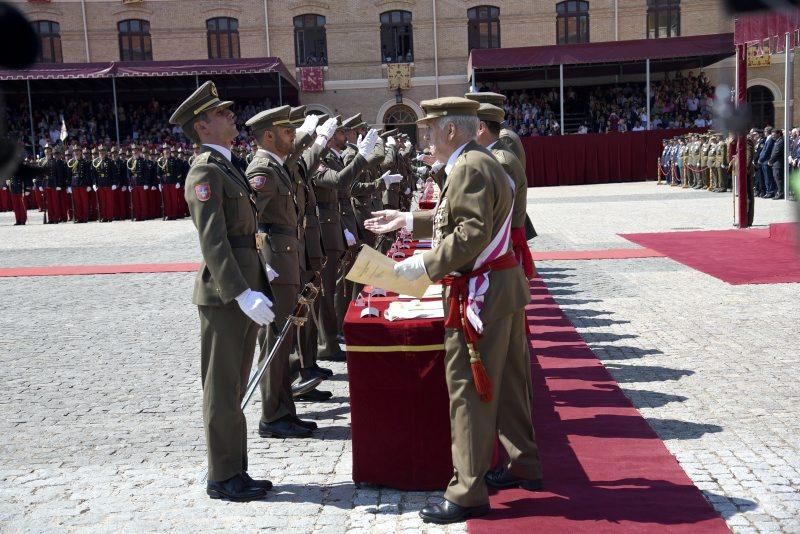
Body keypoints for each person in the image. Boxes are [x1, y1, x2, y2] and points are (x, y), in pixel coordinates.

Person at [365, 97, 541, 524]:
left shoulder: (468, 166)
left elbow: (471, 233)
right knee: (511, 383)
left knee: (469, 392)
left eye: (430, 129)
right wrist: (408, 220)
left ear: (449, 131)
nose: (425, 137)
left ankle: (466, 491)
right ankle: (523, 462)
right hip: (501, 287)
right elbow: (459, 219)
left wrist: (422, 265)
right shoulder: (476, 161)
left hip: (483, 291)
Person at [169, 80, 275, 502]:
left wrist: (259, 270)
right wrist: (241, 293)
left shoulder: (229, 165)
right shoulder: (205, 171)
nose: (232, 116)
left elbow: (243, 234)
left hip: (244, 286)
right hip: (224, 295)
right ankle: (222, 475)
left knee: (234, 386)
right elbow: (213, 242)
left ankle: (235, 469)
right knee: (222, 386)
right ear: (203, 126)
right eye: (222, 113)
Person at [244, 105, 321, 440]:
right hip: (276, 263)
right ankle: (272, 415)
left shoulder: (278, 165)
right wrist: (263, 265)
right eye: (288, 132)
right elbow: (250, 220)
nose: (294, 136)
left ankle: (284, 410)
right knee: (276, 339)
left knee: (284, 337)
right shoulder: (262, 168)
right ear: (270, 135)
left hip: (288, 259)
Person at [759, 126, 775, 198]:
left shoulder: (770, 139)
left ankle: (770, 191)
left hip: (766, 161)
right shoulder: (767, 139)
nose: (764, 133)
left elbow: (767, 151)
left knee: (768, 177)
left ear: (767, 132)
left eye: (765, 131)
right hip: (764, 161)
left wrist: (761, 158)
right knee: (766, 177)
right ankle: (768, 191)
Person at [769, 129, 785, 200]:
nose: (772, 136)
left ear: (778, 134)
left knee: (778, 179)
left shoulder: (780, 141)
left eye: (774, 134)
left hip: (778, 163)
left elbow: (776, 153)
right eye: (772, 135)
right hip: (776, 163)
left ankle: (781, 194)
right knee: (776, 178)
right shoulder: (777, 141)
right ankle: (778, 192)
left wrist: (771, 161)